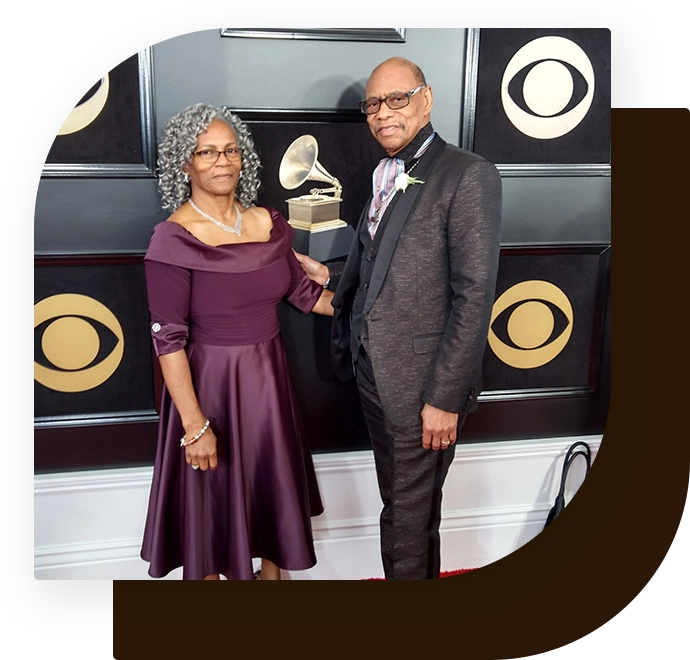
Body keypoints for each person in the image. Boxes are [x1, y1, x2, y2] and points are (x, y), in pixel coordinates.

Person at [295, 57, 502, 580]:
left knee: (408, 524)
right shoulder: (386, 172)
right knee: (403, 511)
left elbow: (474, 295)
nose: (383, 113)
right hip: (373, 377)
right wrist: (325, 271)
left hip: (423, 391)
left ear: (426, 99)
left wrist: (444, 399)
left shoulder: (467, 175)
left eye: (397, 99)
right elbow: (379, 263)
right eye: (373, 104)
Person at [140, 103, 334, 581]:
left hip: (269, 387)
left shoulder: (268, 223)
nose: (221, 160)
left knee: (270, 517)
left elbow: (308, 296)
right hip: (208, 393)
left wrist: (385, 304)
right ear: (185, 164)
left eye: (229, 150)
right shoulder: (171, 240)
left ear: (242, 156)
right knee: (210, 523)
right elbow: (168, 342)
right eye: (206, 152)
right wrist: (194, 426)